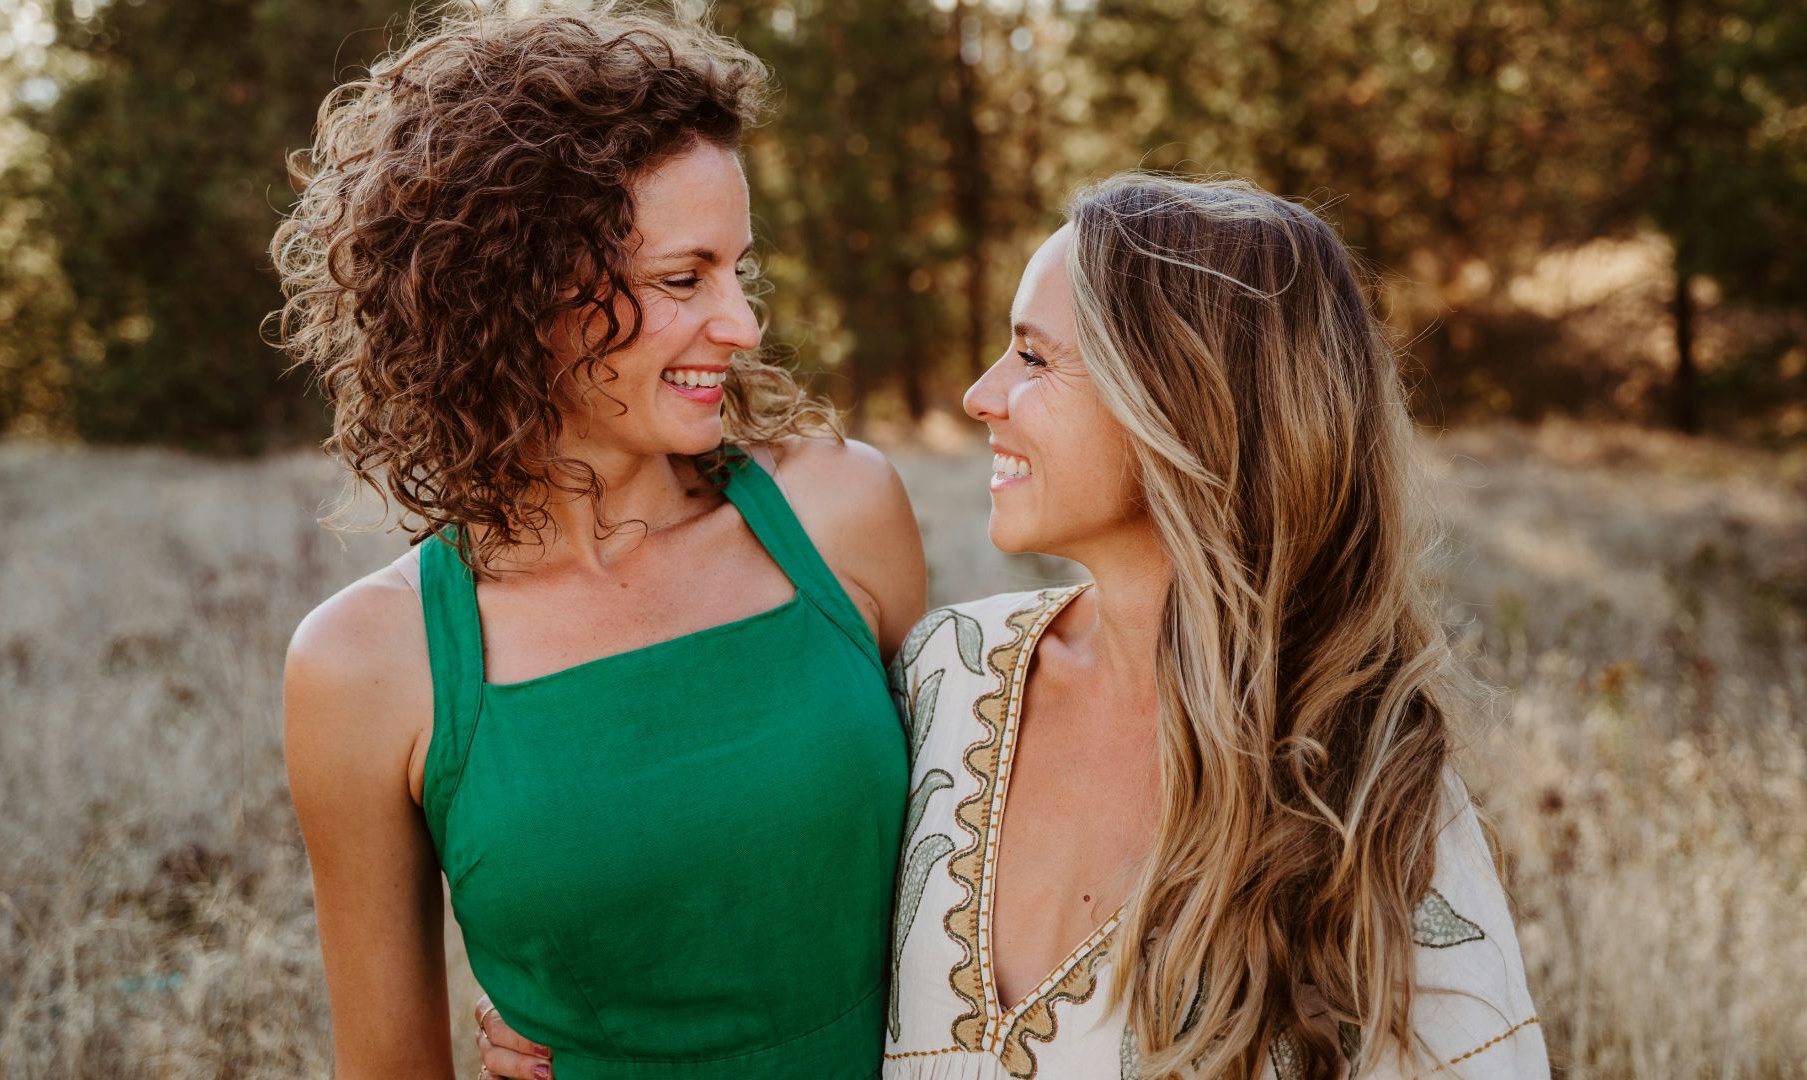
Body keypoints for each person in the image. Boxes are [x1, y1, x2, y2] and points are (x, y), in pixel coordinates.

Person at [476, 174, 1547, 1078]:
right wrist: (582, 1003)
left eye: (1033, 359)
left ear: (1182, 404)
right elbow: (759, 891)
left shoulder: (1370, 796)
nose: (983, 395)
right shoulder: (949, 674)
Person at [269, 6, 926, 1079]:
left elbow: (982, 868)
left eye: (738, 271)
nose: (744, 324)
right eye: (684, 278)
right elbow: (386, 1064)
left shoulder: (842, 513)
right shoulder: (365, 666)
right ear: (518, 291)